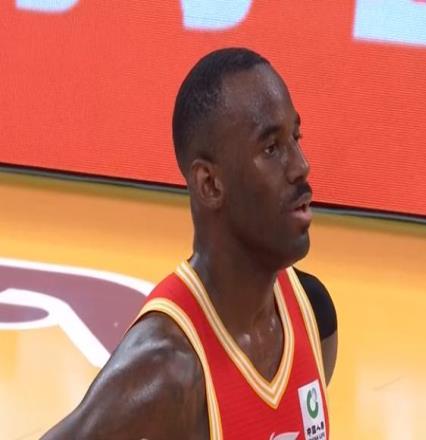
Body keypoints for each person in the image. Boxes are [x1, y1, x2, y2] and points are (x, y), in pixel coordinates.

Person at [42, 47, 337, 440]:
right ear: (210, 184)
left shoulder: (313, 312)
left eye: (296, 137)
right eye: (271, 148)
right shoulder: (166, 371)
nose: (301, 166)